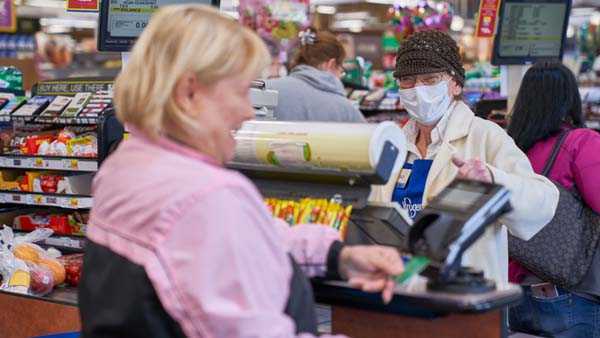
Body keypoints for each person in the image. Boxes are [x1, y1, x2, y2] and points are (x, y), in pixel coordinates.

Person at [78, 5, 404, 338]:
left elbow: (244, 242)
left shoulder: (126, 164)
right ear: (189, 93)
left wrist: (338, 256)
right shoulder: (206, 197)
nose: (248, 111)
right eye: (240, 91)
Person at [369, 30, 559, 285]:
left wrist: (493, 180)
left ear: (455, 84)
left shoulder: (485, 136)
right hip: (397, 289)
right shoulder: (393, 143)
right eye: (408, 81)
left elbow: (544, 201)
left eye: (430, 79)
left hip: (463, 294)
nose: (418, 90)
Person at [507, 62, 600, 337]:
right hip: (570, 293)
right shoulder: (580, 142)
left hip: (516, 293)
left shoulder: (511, 148)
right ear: (569, 98)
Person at [267, 29, 365, 122]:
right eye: (341, 70)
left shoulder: (266, 89)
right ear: (330, 64)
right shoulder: (345, 109)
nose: (340, 76)